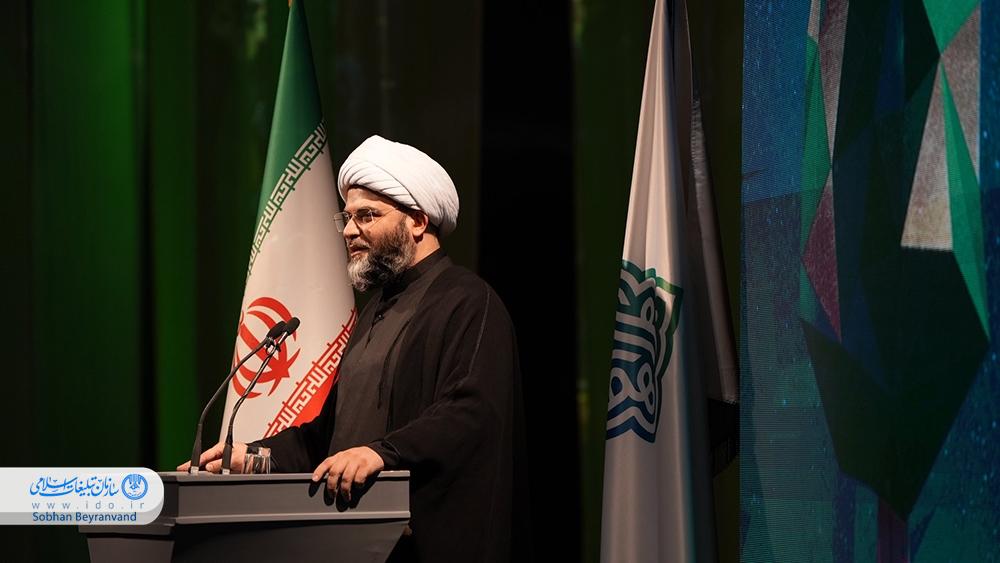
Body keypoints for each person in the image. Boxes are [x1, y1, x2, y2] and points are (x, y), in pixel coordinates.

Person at [180, 135, 528, 562]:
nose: (348, 230)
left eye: (366, 215)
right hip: (355, 542)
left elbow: (471, 412)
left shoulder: (469, 301)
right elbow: (330, 434)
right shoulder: (374, 313)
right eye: (346, 217)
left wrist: (383, 454)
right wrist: (254, 457)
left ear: (418, 221)